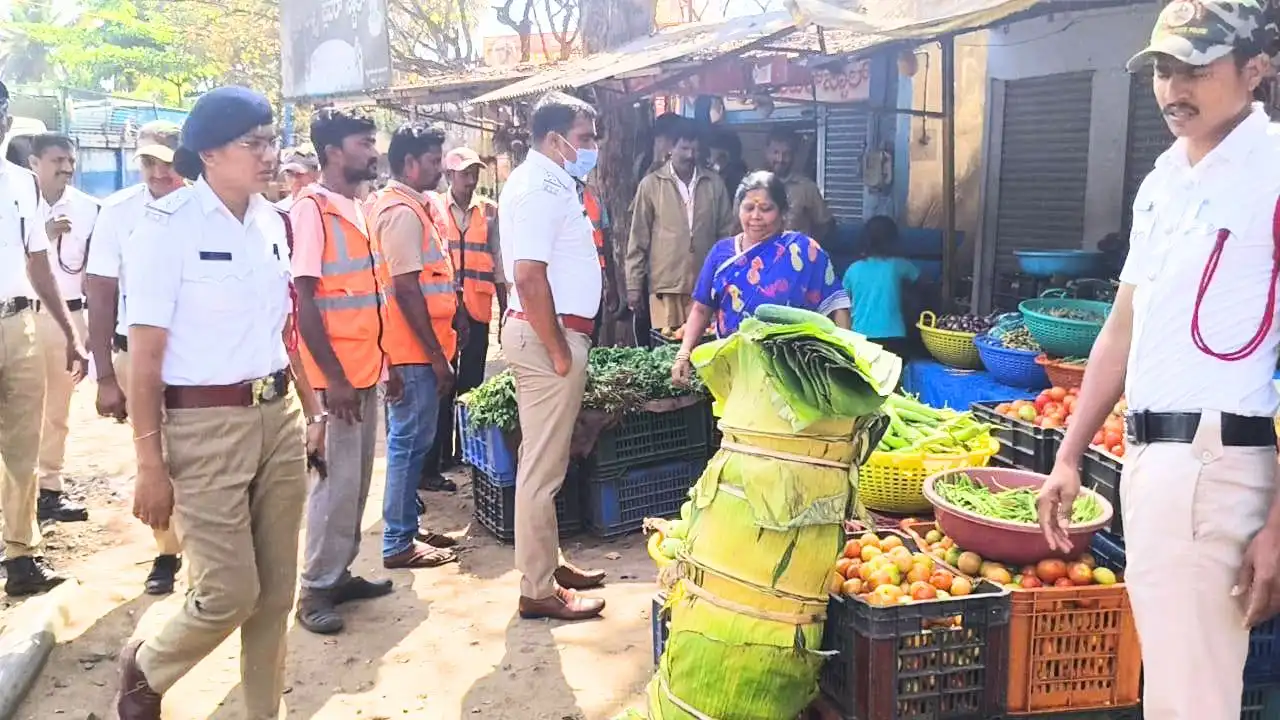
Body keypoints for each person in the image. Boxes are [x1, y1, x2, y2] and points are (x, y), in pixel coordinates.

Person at [1036, 4, 1280, 720]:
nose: (1175, 88)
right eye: (1164, 71)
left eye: (1197, 70)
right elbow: (1121, 328)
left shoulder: (1272, 173)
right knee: (1175, 687)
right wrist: (1069, 454)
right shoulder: (1163, 182)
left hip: (1218, 462)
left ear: (1256, 71)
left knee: (1193, 701)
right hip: (1149, 464)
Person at [113, 86, 325, 720]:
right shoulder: (164, 229)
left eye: (271, 141)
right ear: (208, 153)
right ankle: (147, 666)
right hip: (202, 425)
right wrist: (150, 463)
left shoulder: (272, 221)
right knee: (229, 591)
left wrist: (310, 411)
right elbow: (145, 361)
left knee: (274, 593)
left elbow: (277, 333)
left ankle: (265, 712)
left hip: (277, 417)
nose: (269, 155)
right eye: (251, 144)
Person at [499, 91, 609, 621]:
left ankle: (547, 561)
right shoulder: (541, 186)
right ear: (553, 139)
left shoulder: (548, 182)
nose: (590, 148)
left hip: (550, 334)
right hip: (549, 337)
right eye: (584, 138)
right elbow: (527, 275)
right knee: (542, 471)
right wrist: (559, 351)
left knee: (541, 463)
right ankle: (539, 588)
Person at [290, 108, 391, 636]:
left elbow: (369, 295)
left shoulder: (358, 206)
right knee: (332, 484)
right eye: (364, 141)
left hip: (365, 369)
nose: (373, 151)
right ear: (333, 151)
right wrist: (332, 379)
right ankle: (314, 589)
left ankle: (339, 572)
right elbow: (304, 300)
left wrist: (384, 361)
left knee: (354, 483)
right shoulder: (311, 209)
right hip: (338, 379)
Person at [84, 121, 187, 595]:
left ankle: (206, 551)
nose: (158, 172)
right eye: (148, 162)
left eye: (166, 161)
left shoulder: (208, 207)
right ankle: (168, 551)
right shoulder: (118, 212)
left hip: (197, 355)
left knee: (202, 452)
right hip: (138, 356)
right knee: (153, 454)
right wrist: (105, 375)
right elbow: (101, 293)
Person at [0, 81, 87, 597]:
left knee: (22, 445)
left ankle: (21, 556)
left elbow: (37, 262)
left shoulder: (20, 184)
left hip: (18, 324)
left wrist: (70, 330)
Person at [366, 123, 461, 569]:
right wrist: (437, 358)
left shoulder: (414, 206)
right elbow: (406, 290)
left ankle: (406, 527)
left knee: (414, 441)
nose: (439, 168)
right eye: (431, 160)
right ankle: (399, 541)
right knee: (407, 443)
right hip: (412, 352)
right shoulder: (401, 211)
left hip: (416, 350)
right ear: (408, 163)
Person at [670, 171, 850, 383]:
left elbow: (837, 304)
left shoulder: (804, 251)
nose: (755, 217)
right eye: (748, 208)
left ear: (782, 211)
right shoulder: (722, 254)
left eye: (766, 209)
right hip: (735, 372)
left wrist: (844, 358)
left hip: (797, 373)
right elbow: (701, 309)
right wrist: (683, 354)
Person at [420, 146, 507, 491]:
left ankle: (464, 452)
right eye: (464, 174)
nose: (470, 180)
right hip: (444, 315)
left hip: (478, 309)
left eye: (474, 174)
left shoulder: (488, 212)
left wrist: (505, 310)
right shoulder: (434, 208)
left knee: (471, 386)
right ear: (449, 176)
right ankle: (438, 457)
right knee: (443, 386)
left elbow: (497, 263)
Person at [28, 133, 97, 524]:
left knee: (57, 409)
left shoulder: (89, 209)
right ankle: (15, 494)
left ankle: (49, 491)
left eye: (70, 160)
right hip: (21, 314)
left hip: (69, 318)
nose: (66, 167)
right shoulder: (17, 205)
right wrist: (44, 235)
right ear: (35, 162)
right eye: (57, 160)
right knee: (17, 408)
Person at [627, 120, 737, 337]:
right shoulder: (651, 185)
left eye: (695, 149)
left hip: (705, 286)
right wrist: (633, 284)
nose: (690, 155)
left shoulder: (714, 184)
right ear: (671, 148)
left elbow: (727, 235)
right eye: (684, 148)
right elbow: (638, 238)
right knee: (666, 350)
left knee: (703, 348)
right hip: (664, 286)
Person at [841, 215, 921, 357]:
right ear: (894, 241)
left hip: (861, 335)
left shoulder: (852, 269)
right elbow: (920, 280)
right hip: (895, 336)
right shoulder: (898, 265)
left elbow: (843, 304)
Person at [765, 128, 835, 245]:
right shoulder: (754, 185)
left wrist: (808, 246)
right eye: (775, 152)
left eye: (786, 154)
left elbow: (826, 225)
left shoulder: (807, 188)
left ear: (794, 155)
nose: (780, 159)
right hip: (763, 257)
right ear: (766, 152)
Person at [707, 127, 747, 201]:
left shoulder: (732, 183)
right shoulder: (743, 179)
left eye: (709, 154)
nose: (708, 160)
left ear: (722, 157)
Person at [276, 145, 319, 212]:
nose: (294, 180)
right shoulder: (279, 210)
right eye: (289, 173)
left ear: (316, 174)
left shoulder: (325, 207)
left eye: (300, 174)